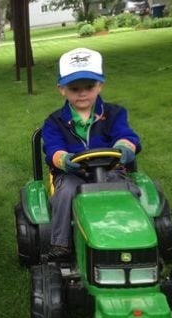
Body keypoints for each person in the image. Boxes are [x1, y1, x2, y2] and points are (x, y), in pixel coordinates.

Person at [42, 47, 141, 259]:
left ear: (100, 85)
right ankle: (61, 243)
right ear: (62, 89)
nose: (82, 93)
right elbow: (52, 148)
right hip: (72, 174)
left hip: (111, 170)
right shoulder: (54, 121)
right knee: (67, 191)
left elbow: (125, 135)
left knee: (128, 190)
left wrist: (124, 148)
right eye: (74, 88)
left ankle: (137, 239)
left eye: (89, 86)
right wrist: (64, 159)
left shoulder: (115, 113)